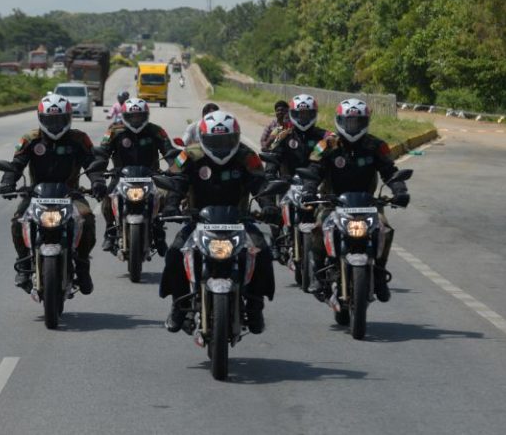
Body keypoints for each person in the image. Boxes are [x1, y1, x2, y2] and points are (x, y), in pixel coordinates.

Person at [160, 110, 278, 334]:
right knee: (175, 252)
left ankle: (255, 305)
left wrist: (268, 205)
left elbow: (260, 184)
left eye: (226, 140)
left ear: (235, 138)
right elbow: (175, 181)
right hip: (198, 220)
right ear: (203, 138)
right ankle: (179, 305)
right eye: (216, 141)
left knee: (262, 251)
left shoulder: (247, 156)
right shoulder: (189, 155)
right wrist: (171, 205)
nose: (222, 146)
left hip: (239, 221)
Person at [301, 98, 410, 303]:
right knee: (316, 228)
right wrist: (308, 190)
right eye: (348, 121)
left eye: (357, 122)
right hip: (332, 203)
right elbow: (313, 171)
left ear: (365, 122)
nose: (353, 126)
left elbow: (390, 172)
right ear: (339, 121)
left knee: (385, 229)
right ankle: (318, 272)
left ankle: (379, 274)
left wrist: (400, 190)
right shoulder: (327, 145)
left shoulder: (376, 146)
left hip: (368, 204)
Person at [0, 93, 101, 295]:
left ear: (68, 118)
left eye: (59, 120)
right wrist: (7, 182)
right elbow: (16, 165)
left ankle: (82, 265)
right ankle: (23, 265)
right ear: (41, 118)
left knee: (87, 218)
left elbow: (92, 163)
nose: (54, 125)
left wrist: (98, 181)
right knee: (18, 220)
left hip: (70, 193)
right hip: (36, 194)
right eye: (49, 120)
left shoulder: (79, 139)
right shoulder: (30, 139)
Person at [93, 98, 174, 255]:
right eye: (132, 116)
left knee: (165, 195)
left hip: (151, 177)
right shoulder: (114, 131)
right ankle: (110, 230)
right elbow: (102, 154)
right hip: (120, 176)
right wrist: (98, 174)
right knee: (107, 198)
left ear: (146, 116)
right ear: (124, 116)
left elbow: (169, 151)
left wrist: (176, 171)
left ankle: (158, 232)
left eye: (139, 116)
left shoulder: (156, 131)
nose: (136, 119)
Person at [263, 95, 332, 262]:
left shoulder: (325, 136)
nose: (303, 118)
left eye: (307, 114)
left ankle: (326, 252)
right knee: (273, 207)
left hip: (318, 186)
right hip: (288, 184)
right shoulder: (282, 135)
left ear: (314, 114)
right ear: (292, 114)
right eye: (300, 114)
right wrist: (271, 173)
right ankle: (276, 242)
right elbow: (273, 155)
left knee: (328, 217)